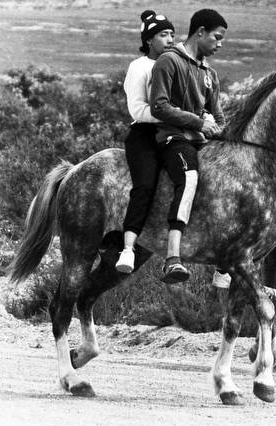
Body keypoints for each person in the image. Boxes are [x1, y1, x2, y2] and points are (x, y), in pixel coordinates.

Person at [148, 8, 228, 283]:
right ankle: (172, 258)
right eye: (217, 38)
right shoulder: (169, 61)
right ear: (200, 32)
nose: (219, 44)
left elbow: (217, 117)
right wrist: (198, 122)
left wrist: (219, 128)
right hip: (172, 138)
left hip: (200, 140)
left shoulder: (210, 74)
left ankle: (225, 263)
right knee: (189, 176)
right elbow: (159, 106)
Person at [116, 10, 176, 274]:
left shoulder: (176, 64)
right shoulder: (138, 67)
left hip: (175, 133)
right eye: (164, 35)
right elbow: (137, 110)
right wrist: (171, 115)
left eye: (173, 34)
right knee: (145, 184)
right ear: (149, 40)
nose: (170, 39)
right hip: (145, 134)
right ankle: (128, 247)